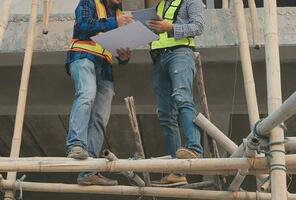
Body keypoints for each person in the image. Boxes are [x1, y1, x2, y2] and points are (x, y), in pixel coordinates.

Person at [65, 0, 134, 186]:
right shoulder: (88, 2)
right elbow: (85, 25)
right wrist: (116, 24)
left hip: (105, 68)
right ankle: (76, 144)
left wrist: (123, 57)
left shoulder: (119, 14)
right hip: (83, 57)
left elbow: (115, 44)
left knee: (100, 118)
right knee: (86, 94)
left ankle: (89, 170)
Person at [146, 0, 206, 185]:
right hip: (160, 58)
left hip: (180, 54)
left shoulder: (192, 1)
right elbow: (155, 33)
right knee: (165, 113)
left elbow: (198, 26)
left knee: (182, 98)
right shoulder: (160, 5)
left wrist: (170, 27)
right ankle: (177, 171)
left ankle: (194, 149)